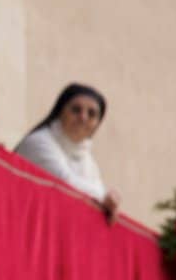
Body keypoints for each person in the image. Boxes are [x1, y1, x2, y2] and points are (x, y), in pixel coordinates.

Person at [13, 83, 119, 220]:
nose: (83, 118)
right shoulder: (38, 142)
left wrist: (107, 200)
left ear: (97, 124)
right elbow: (66, 184)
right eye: (76, 110)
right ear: (60, 112)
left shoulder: (88, 159)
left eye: (91, 114)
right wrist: (105, 198)